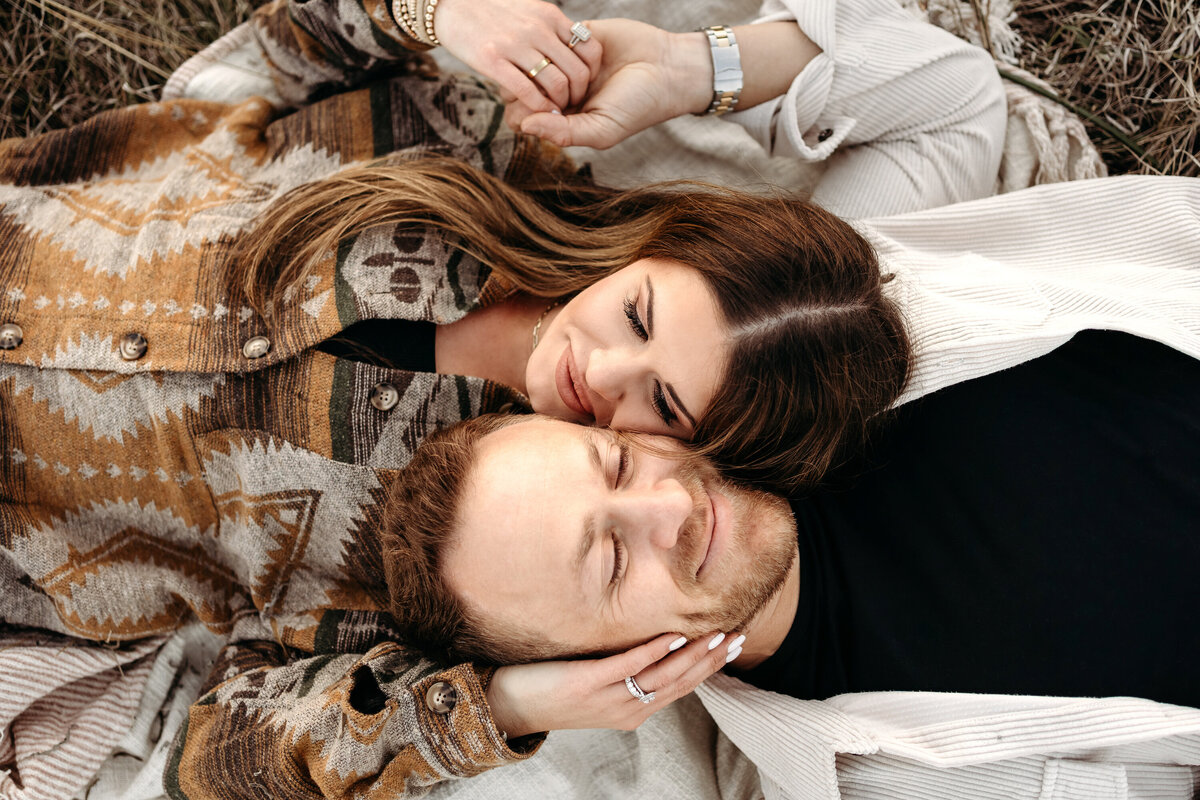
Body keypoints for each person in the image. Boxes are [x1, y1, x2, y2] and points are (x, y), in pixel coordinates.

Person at [380, 327, 1200, 797]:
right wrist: (516, 707)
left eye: (618, 464)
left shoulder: (800, 344)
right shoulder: (875, 779)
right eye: (613, 565)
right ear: (602, 668)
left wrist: (696, 69)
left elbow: (955, 110)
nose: (672, 507)